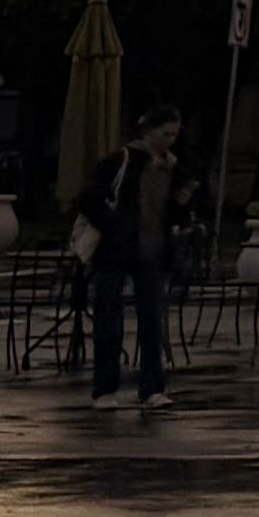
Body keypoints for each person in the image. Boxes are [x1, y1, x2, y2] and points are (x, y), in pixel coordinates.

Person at [73, 103, 192, 404]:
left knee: (151, 320)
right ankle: (106, 388)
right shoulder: (123, 159)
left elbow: (174, 210)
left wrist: (181, 201)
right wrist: (115, 226)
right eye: (165, 134)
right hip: (117, 250)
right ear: (150, 132)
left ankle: (152, 388)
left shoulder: (173, 167)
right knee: (109, 318)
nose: (170, 141)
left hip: (152, 248)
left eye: (175, 135)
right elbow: (89, 198)